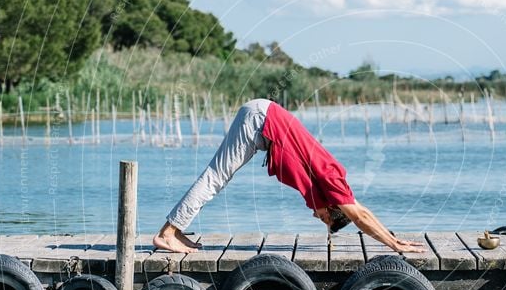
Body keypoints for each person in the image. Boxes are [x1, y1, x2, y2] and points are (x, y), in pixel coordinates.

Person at [153, 98, 425, 254]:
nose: (315, 217)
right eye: (323, 219)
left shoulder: (329, 186)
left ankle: (175, 232)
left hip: (262, 120)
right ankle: (167, 233)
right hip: (259, 120)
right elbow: (359, 215)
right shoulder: (331, 180)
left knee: (217, 178)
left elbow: (359, 210)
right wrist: (394, 245)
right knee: (215, 178)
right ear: (333, 209)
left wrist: (393, 236)